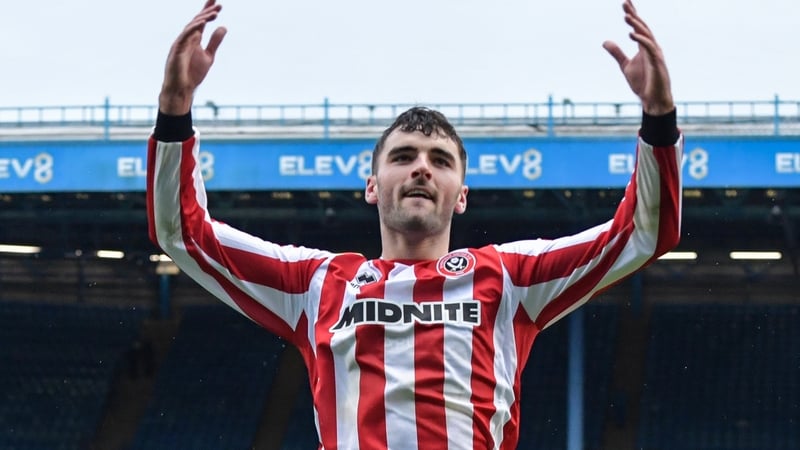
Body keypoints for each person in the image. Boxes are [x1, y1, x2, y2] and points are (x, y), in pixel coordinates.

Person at [147, 0, 682, 448]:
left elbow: (641, 233)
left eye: (440, 160)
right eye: (403, 156)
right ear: (372, 186)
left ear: (462, 196)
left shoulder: (510, 278)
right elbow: (184, 234)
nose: (422, 167)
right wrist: (175, 107)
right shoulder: (317, 284)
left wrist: (658, 117)